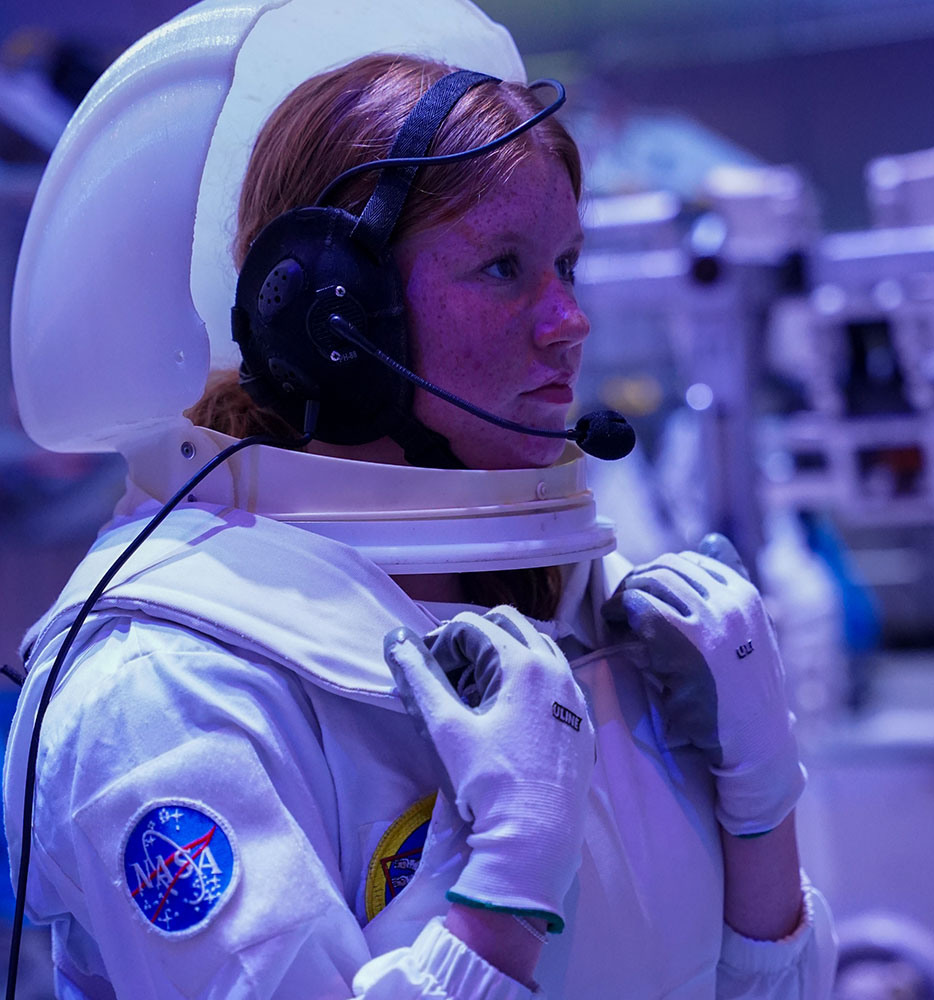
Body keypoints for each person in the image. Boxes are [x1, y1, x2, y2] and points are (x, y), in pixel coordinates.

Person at [4, 1, 837, 997]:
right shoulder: (170, 690)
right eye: (504, 267)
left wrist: (762, 812)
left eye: (568, 265)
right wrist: (502, 896)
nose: (569, 322)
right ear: (338, 316)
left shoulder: (592, 604)